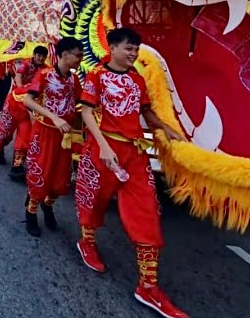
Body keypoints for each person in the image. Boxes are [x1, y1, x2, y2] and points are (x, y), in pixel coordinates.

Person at [75, 27, 188, 318]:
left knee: (146, 211)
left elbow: (145, 112)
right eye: (128, 48)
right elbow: (86, 111)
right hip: (103, 150)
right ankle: (87, 242)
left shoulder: (137, 79)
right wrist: (103, 146)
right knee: (95, 201)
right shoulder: (97, 76)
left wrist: (165, 128)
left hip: (134, 155)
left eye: (136, 49)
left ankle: (148, 286)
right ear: (112, 47)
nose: (133, 54)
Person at [22, 37, 84, 236]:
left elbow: (81, 103)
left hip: (65, 137)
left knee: (61, 180)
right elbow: (28, 100)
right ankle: (31, 211)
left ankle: (47, 205)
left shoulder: (74, 80)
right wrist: (54, 117)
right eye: (78, 55)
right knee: (40, 174)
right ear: (65, 54)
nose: (81, 59)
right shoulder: (45, 75)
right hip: (45, 132)